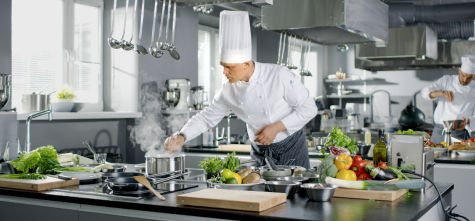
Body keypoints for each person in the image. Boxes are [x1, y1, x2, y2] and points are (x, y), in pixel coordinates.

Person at [164, 11, 318, 168]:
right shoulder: (228, 91)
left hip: (291, 147)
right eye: (223, 66)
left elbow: (309, 109)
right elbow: (206, 117)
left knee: (296, 193)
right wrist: (182, 135)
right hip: (260, 152)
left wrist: (277, 127)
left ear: (247, 64)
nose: (224, 72)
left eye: (229, 67)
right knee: (260, 193)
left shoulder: (279, 75)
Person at [421, 54, 475, 143]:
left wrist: (468, 121)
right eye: (463, 75)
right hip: (440, 131)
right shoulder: (446, 81)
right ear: (459, 70)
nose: (465, 79)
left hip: (460, 133)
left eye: (469, 77)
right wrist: (441, 92)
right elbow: (424, 93)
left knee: (460, 156)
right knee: (435, 156)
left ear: (473, 76)